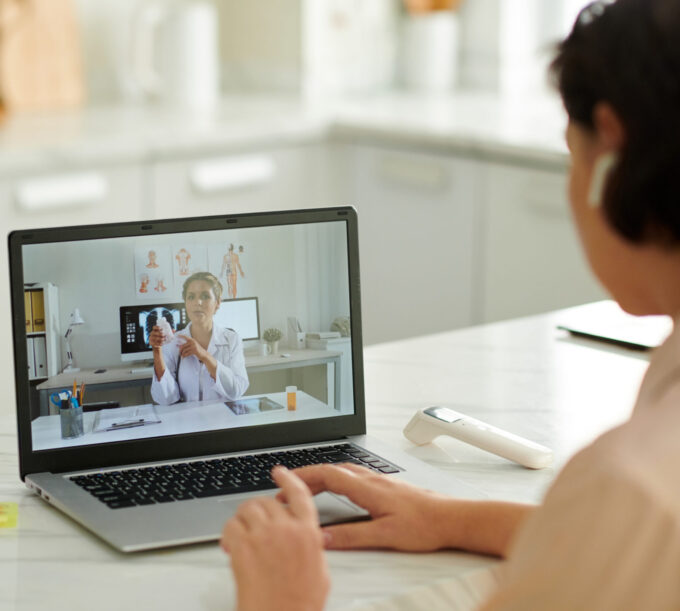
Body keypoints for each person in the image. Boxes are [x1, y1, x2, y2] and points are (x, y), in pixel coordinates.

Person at [220, 1, 680, 609]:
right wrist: (448, 519)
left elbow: (621, 526)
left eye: (573, 154)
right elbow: (606, 547)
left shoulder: (631, 487)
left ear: (610, 155)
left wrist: (286, 598)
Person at [150, 271, 249, 405]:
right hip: (187, 422)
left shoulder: (231, 339)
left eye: (205, 296)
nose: (198, 302)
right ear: (185, 303)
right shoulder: (173, 342)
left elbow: (236, 390)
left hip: (224, 420)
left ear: (218, 303)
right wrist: (157, 351)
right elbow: (165, 399)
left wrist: (204, 356)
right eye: (191, 297)